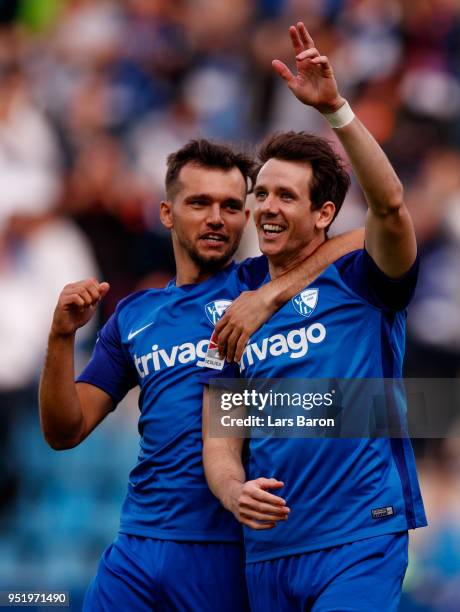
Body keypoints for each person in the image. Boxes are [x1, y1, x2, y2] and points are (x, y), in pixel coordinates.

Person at [39, 138, 363, 611]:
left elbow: (367, 237)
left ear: (247, 218)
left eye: (232, 206)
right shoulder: (134, 315)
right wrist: (61, 338)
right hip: (136, 544)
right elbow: (64, 431)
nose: (217, 217)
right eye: (200, 203)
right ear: (167, 214)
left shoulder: (259, 283)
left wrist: (273, 296)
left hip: (226, 551)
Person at [202, 22, 427, 612]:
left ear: (324, 212)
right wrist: (231, 490)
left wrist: (336, 112)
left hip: (360, 535)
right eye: (262, 193)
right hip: (269, 550)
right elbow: (223, 417)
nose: (267, 207)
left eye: (286, 196)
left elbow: (390, 206)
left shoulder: (361, 280)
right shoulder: (231, 297)